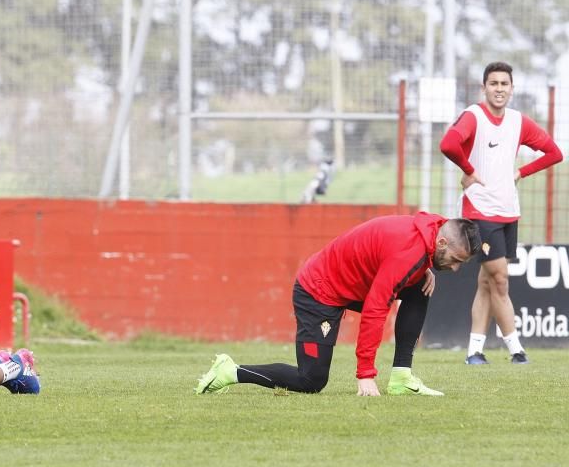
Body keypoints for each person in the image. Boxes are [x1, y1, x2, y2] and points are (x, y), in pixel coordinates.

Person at [196, 213, 481, 397]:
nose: (455, 269)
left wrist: (426, 268)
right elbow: (375, 309)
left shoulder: (432, 230)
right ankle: (230, 371)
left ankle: (401, 378)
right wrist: (365, 375)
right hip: (317, 292)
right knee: (311, 380)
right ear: (441, 242)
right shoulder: (410, 253)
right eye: (455, 260)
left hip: (348, 287)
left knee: (420, 286)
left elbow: (424, 248)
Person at [440, 61, 563, 365]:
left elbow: (554, 153)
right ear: (484, 88)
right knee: (501, 279)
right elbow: (448, 143)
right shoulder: (474, 115)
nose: (499, 89)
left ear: (511, 88)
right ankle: (516, 349)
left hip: (509, 211)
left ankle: (474, 351)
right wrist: (468, 170)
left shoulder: (518, 121)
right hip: (480, 211)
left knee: (487, 282)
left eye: (504, 84)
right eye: (493, 84)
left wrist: (521, 172)